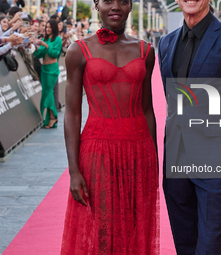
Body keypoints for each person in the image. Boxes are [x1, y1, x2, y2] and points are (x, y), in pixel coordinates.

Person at [158, 0, 221, 254]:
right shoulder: (166, 43)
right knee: (184, 240)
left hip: (217, 158)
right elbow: (171, 99)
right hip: (176, 158)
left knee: (210, 242)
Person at [60, 0, 159, 253]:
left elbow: (147, 109)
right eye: (108, 1)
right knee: (103, 229)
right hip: (98, 153)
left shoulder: (146, 51)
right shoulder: (78, 50)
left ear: (130, 7)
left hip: (139, 151)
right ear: (97, 5)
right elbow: (71, 113)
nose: (115, 7)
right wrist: (73, 171)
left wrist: (155, 159)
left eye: (123, 2)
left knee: (135, 227)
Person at [34, 19, 62, 128]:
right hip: (44, 69)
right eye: (46, 27)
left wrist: (45, 45)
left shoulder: (57, 40)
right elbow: (39, 54)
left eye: (50, 27)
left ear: (54, 28)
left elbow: (55, 53)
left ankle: (53, 117)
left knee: (49, 92)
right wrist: (36, 46)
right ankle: (49, 118)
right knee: (45, 93)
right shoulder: (45, 39)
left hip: (52, 69)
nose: (48, 29)